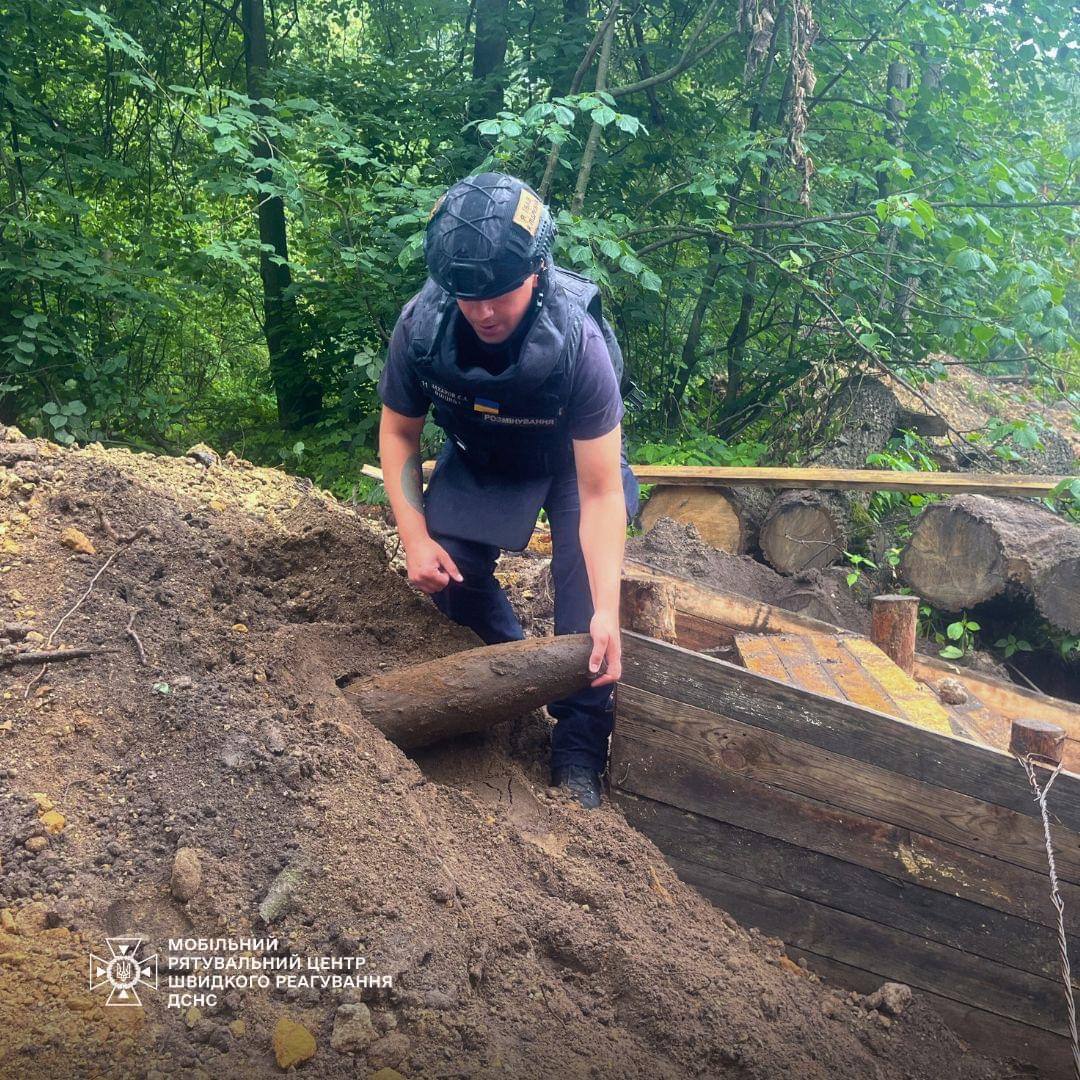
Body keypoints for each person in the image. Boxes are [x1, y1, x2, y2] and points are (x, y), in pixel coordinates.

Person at [376, 171, 639, 809]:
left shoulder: (579, 343)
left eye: (500, 293)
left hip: (570, 461)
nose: (485, 311)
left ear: (537, 271)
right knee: (450, 574)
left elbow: (603, 492)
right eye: (468, 295)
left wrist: (609, 608)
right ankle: (512, 676)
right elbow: (400, 435)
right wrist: (413, 537)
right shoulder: (422, 328)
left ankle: (578, 747)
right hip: (481, 450)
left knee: (586, 615)